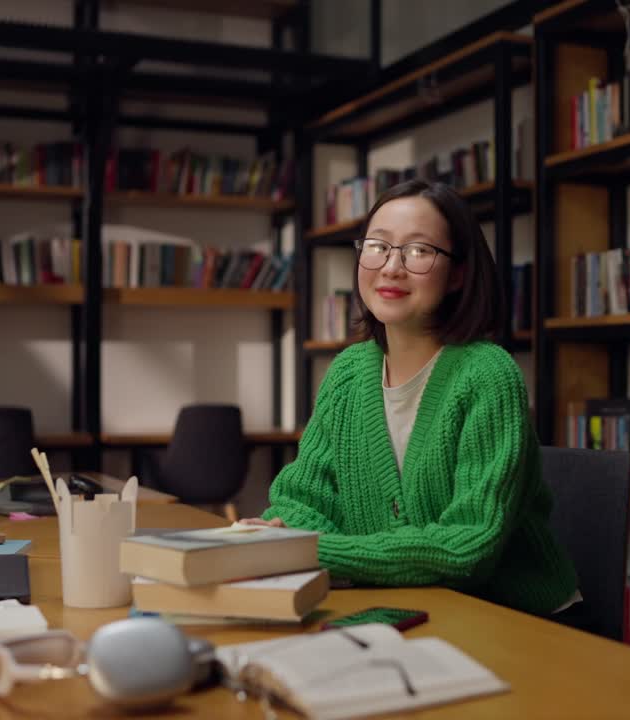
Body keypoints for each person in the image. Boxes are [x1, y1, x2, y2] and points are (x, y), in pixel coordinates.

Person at [242, 179, 577, 617]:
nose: (391, 267)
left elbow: (468, 546)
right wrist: (282, 532)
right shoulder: (347, 373)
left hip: (512, 617)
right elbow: (305, 499)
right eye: (377, 246)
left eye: (418, 251)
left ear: (458, 273)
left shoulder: (488, 376)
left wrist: (310, 551)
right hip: (401, 605)